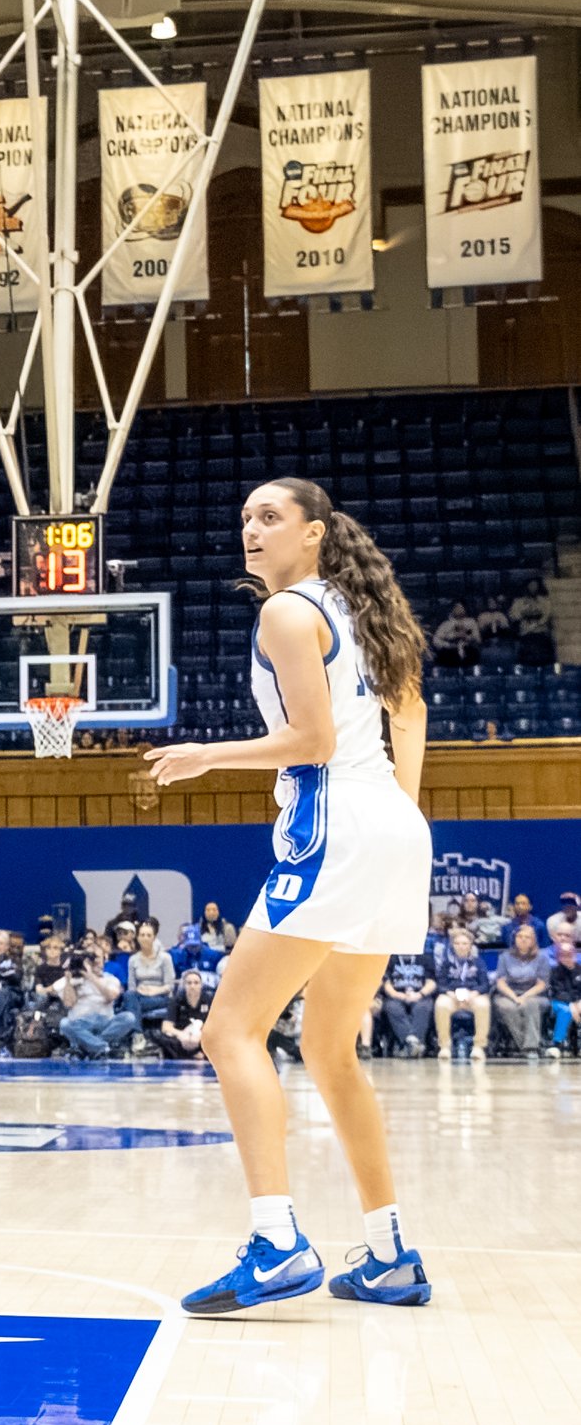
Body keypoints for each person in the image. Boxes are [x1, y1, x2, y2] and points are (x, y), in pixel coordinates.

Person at [148, 478, 436, 1312]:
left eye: (270, 516)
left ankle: (275, 1240)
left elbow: (309, 740)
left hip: (337, 830)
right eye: (243, 516)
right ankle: (390, 1253)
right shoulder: (359, 608)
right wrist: (398, 812)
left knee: (226, 1029)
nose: (251, 528)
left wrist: (206, 755)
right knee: (329, 1050)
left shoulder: (286, 613)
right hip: (390, 827)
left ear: (314, 533)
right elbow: (409, 706)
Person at [492, 925, 552, 1060]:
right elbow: (500, 982)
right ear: (515, 939)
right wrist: (514, 997)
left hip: (534, 995)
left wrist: (524, 996)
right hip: (509, 994)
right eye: (520, 937)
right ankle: (526, 1046)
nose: (523, 940)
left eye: (527, 937)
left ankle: (531, 1047)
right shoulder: (504, 957)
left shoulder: (542, 958)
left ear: (533, 940)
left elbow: (542, 984)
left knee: (529, 1004)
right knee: (506, 1007)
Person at [434, 924, 491, 1061]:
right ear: (452, 945)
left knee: (483, 1004)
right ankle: (445, 1046)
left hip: (472, 997)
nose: (461, 946)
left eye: (464, 943)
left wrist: (475, 993)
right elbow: (440, 984)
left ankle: (478, 1047)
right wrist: (449, 993)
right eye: (457, 943)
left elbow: (485, 984)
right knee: (441, 1004)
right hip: (452, 997)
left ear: (470, 946)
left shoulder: (478, 962)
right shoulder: (446, 963)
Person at [377, 952, 437, 1058]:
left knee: (423, 1007)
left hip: (419, 994)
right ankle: (414, 1043)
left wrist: (420, 994)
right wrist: (395, 994)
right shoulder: (391, 958)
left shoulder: (424, 957)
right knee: (392, 1007)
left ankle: (410, 1043)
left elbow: (431, 982)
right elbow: (386, 982)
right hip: (396, 994)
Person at [158, 967, 213, 1060]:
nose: (192, 986)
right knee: (163, 1038)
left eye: (196, 983)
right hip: (182, 1037)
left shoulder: (210, 1000)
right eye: (189, 983)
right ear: (184, 985)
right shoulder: (176, 1001)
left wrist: (200, 1035)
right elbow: (166, 1027)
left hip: (202, 1037)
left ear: (201, 985)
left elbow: (216, 1026)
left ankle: (192, 1053)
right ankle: (194, 1054)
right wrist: (181, 1034)